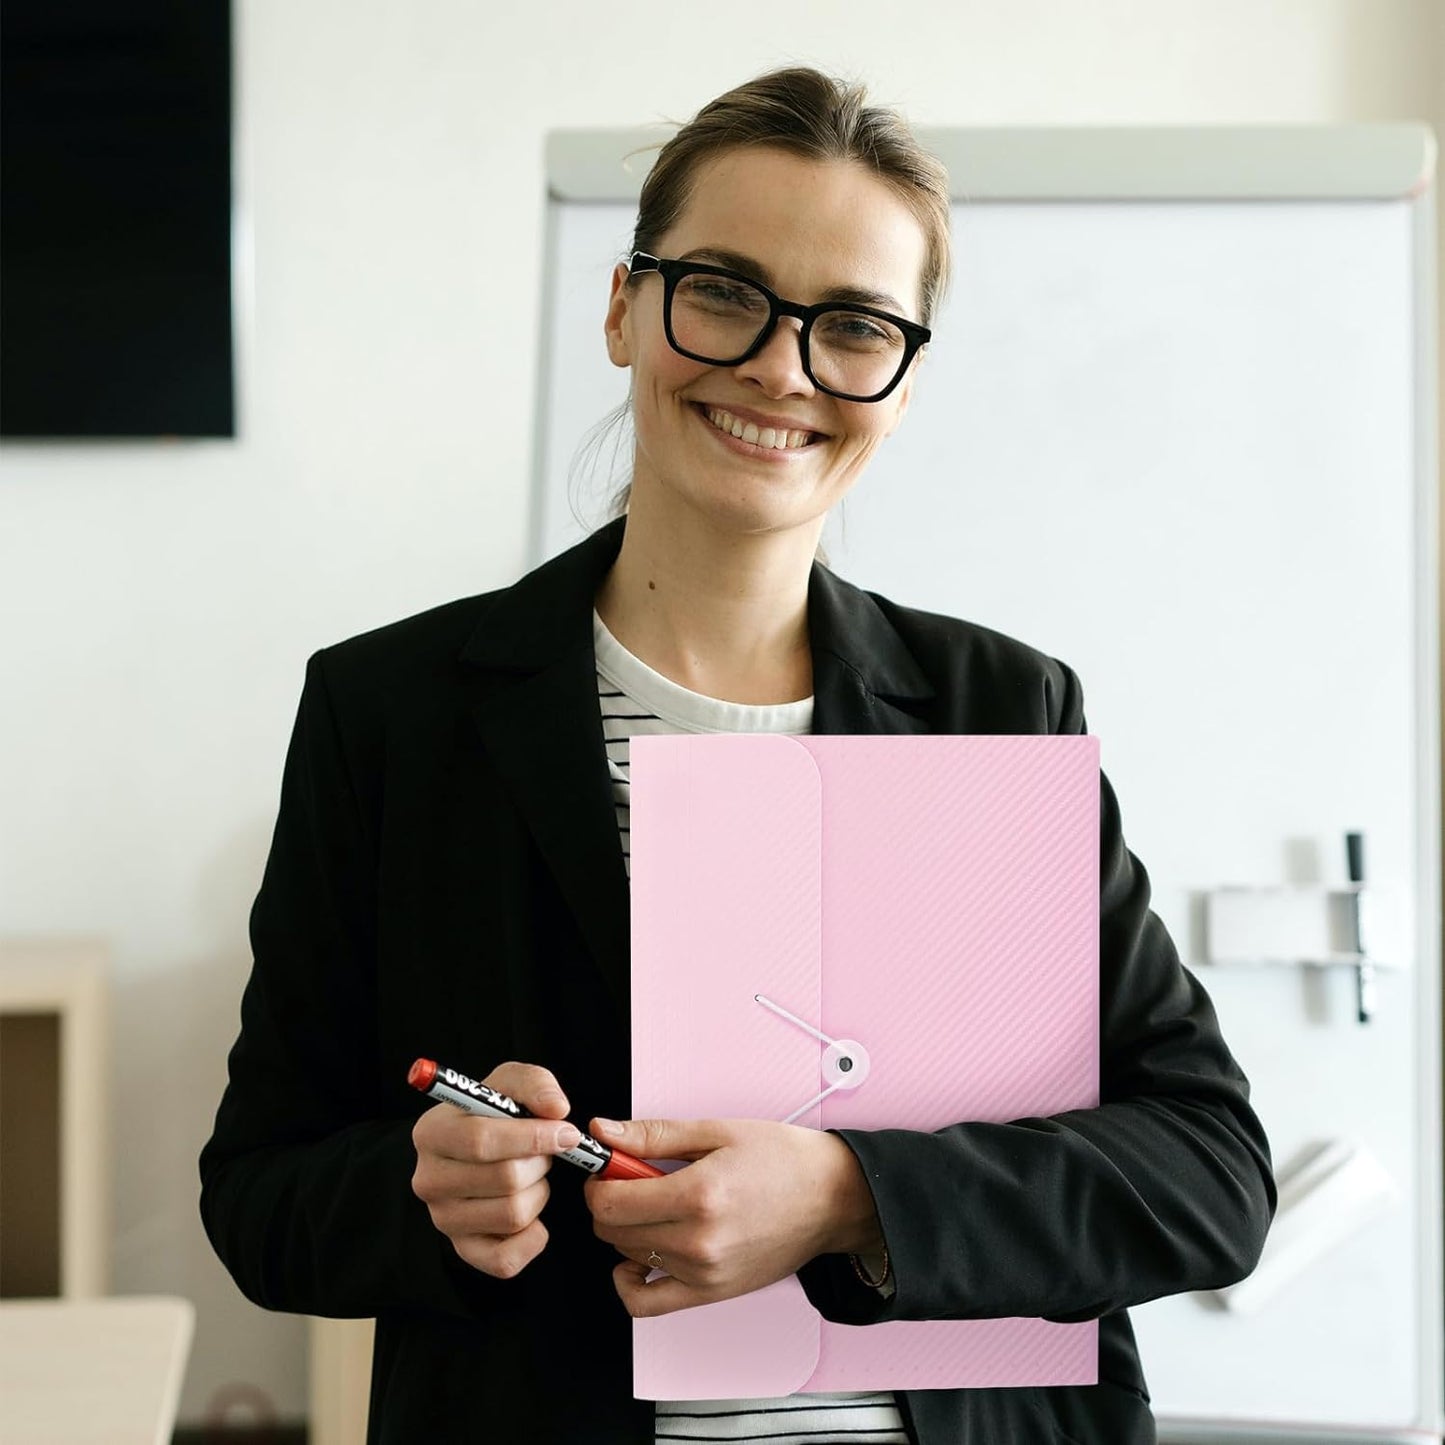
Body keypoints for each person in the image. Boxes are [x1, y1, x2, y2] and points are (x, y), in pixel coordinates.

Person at [199, 66, 1275, 1445]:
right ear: (621, 306)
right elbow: (260, 1192)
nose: (780, 366)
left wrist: (848, 1192)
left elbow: (1207, 1171)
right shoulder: (393, 713)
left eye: (852, 326)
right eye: (722, 290)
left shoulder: (999, 705)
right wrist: (427, 1189)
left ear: (901, 375)